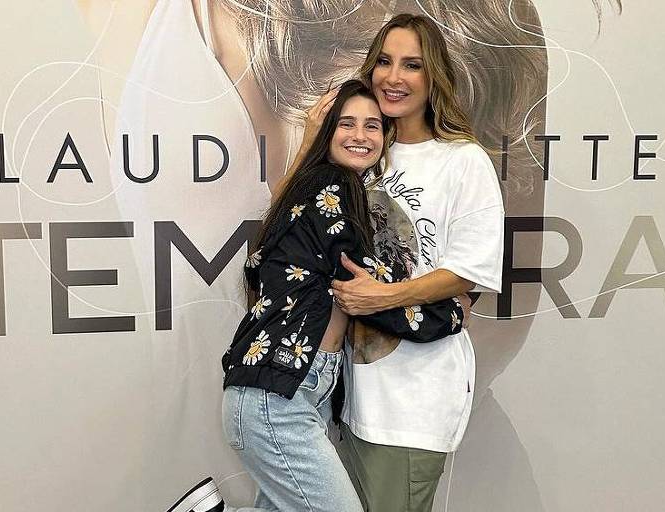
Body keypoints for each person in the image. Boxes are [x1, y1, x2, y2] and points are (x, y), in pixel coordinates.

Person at [166, 80, 467, 512]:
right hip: (280, 398)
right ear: (328, 131)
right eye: (346, 124)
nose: (361, 136)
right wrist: (451, 311)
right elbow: (370, 295)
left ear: (386, 138)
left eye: (373, 126)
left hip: (287, 392)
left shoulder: (309, 190)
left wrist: (308, 141)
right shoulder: (334, 189)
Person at [322, 15, 506, 512]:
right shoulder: (363, 150)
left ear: (434, 78)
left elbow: (471, 269)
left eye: (412, 65)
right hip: (354, 391)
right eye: (384, 61)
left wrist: (384, 296)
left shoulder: (461, 161)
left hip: (414, 398)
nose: (393, 77)